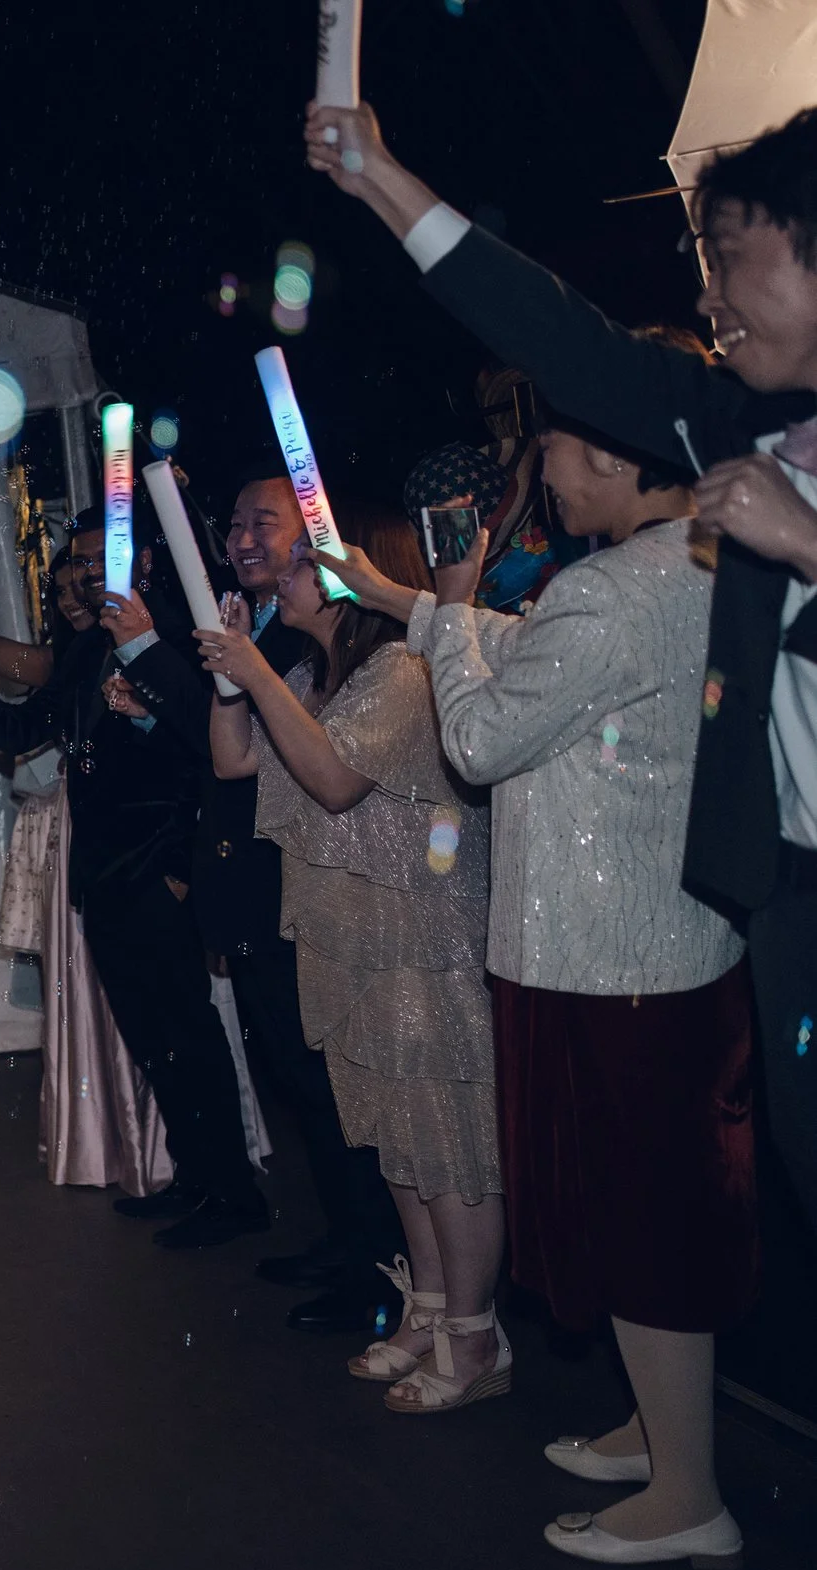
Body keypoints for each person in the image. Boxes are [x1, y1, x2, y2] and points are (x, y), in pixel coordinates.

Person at [304, 98, 817, 1326]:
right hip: (793, 890)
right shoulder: (740, 422)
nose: (708, 301)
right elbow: (564, 338)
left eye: (730, 261)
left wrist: (804, 540)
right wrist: (380, 176)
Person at [322, 394, 753, 1566]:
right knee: (637, 1219)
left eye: (549, 449)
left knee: (643, 1227)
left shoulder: (613, 589)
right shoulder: (689, 561)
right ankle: (659, 1434)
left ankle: (688, 1494)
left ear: (612, 452)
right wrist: (406, 601)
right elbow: (531, 653)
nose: (539, 475)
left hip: (607, 965)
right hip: (651, 951)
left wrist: (448, 609)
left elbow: (476, 738)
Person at [196, 528, 508, 1416]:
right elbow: (234, 758)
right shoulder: (307, 677)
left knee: (445, 1140)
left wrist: (251, 669)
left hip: (423, 936)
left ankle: (478, 1331)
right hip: (349, 940)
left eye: (296, 559)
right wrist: (234, 676)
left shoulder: (404, 672)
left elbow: (334, 780)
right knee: (394, 1139)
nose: (273, 572)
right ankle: (435, 1306)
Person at [0, 515, 270, 1248]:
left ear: (137, 558)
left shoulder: (176, 640)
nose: (77, 576)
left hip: (160, 878)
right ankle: (197, 1180)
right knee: (153, 1038)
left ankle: (233, 1193)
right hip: (102, 880)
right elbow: (20, 731)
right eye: (70, 565)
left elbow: (209, 756)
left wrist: (176, 872)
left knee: (189, 1034)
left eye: (90, 560)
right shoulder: (83, 651)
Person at [117, 474, 405, 1323]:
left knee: (332, 1090)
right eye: (234, 523)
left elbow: (259, 744)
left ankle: (378, 1267)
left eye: (263, 523)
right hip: (248, 891)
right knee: (301, 1085)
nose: (242, 538)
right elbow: (222, 747)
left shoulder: (319, 644)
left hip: (296, 889)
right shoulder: (268, 630)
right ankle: (350, 1241)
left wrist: (150, 654)